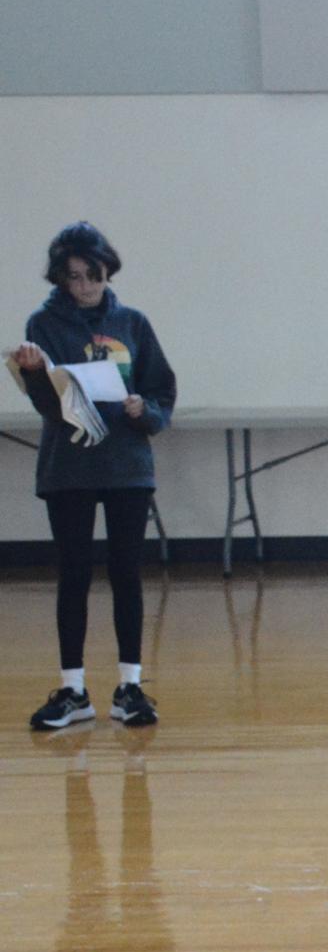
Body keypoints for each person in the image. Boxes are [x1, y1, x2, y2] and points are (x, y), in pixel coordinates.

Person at [8, 223, 177, 731]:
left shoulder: (133, 322)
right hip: (70, 468)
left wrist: (140, 408)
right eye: (71, 278)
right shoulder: (44, 323)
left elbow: (162, 395)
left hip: (127, 467)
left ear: (107, 272)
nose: (82, 287)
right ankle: (73, 690)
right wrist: (35, 373)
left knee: (126, 574)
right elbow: (49, 406)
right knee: (73, 576)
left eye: (91, 276)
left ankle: (130, 687)